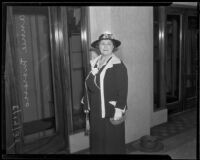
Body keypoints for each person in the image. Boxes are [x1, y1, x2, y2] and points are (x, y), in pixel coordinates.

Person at [82, 33, 128, 154]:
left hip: (110, 111)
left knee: (111, 144)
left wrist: (119, 110)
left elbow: (123, 90)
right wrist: (86, 103)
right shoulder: (95, 63)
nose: (105, 46)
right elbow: (89, 84)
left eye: (109, 43)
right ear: (98, 46)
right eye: (102, 43)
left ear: (113, 47)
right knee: (98, 142)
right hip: (96, 111)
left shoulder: (118, 65)